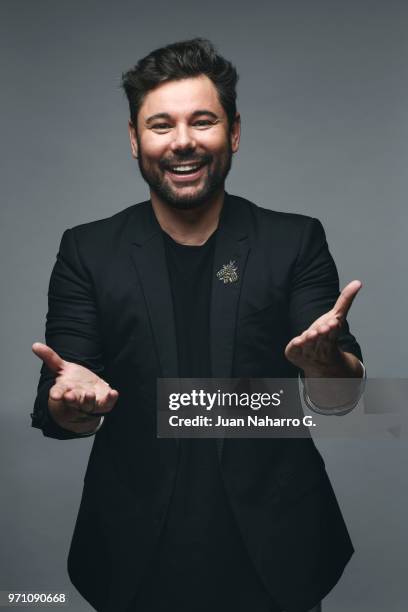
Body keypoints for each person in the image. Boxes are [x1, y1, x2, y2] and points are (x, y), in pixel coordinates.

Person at [31, 38, 364, 612]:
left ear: (232, 132)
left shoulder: (294, 240)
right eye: (160, 125)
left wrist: (324, 364)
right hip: (133, 549)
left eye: (202, 121)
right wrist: (71, 401)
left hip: (277, 547)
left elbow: (341, 396)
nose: (182, 141)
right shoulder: (88, 250)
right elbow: (63, 401)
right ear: (135, 141)